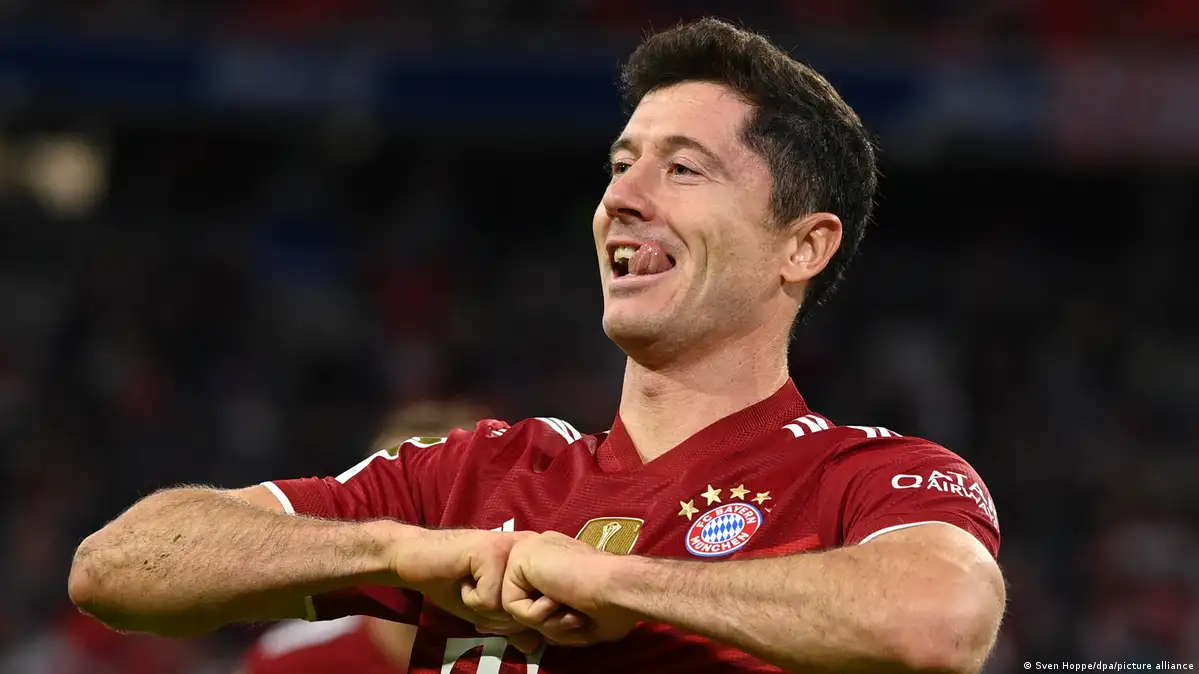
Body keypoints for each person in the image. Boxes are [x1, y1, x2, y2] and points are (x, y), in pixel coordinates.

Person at [68, 18, 1007, 674]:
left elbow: (937, 623)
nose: (622, 197)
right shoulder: (473, 480)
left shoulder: (866, 478)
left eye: (683, 168)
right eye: (620, 166)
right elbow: (116, 567)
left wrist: (617, 583)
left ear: (802, 246)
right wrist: (400, 553)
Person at [233, 400, 489, 674]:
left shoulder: (522, 652)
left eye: (454, 496)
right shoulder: (291, 663)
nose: (427, 531)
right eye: (400, 496)